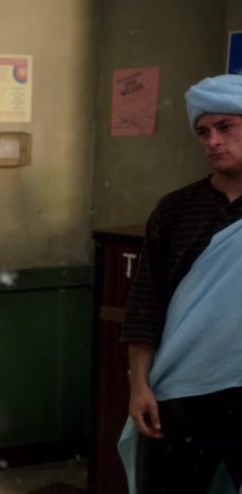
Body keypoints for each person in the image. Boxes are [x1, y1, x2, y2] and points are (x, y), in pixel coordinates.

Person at [120, 74, 242, 493]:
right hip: (180, 388)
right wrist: (139, 384)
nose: (213, 141)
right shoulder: (176, 210)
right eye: (203, 132)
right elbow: (146, 303)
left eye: (225, 127)